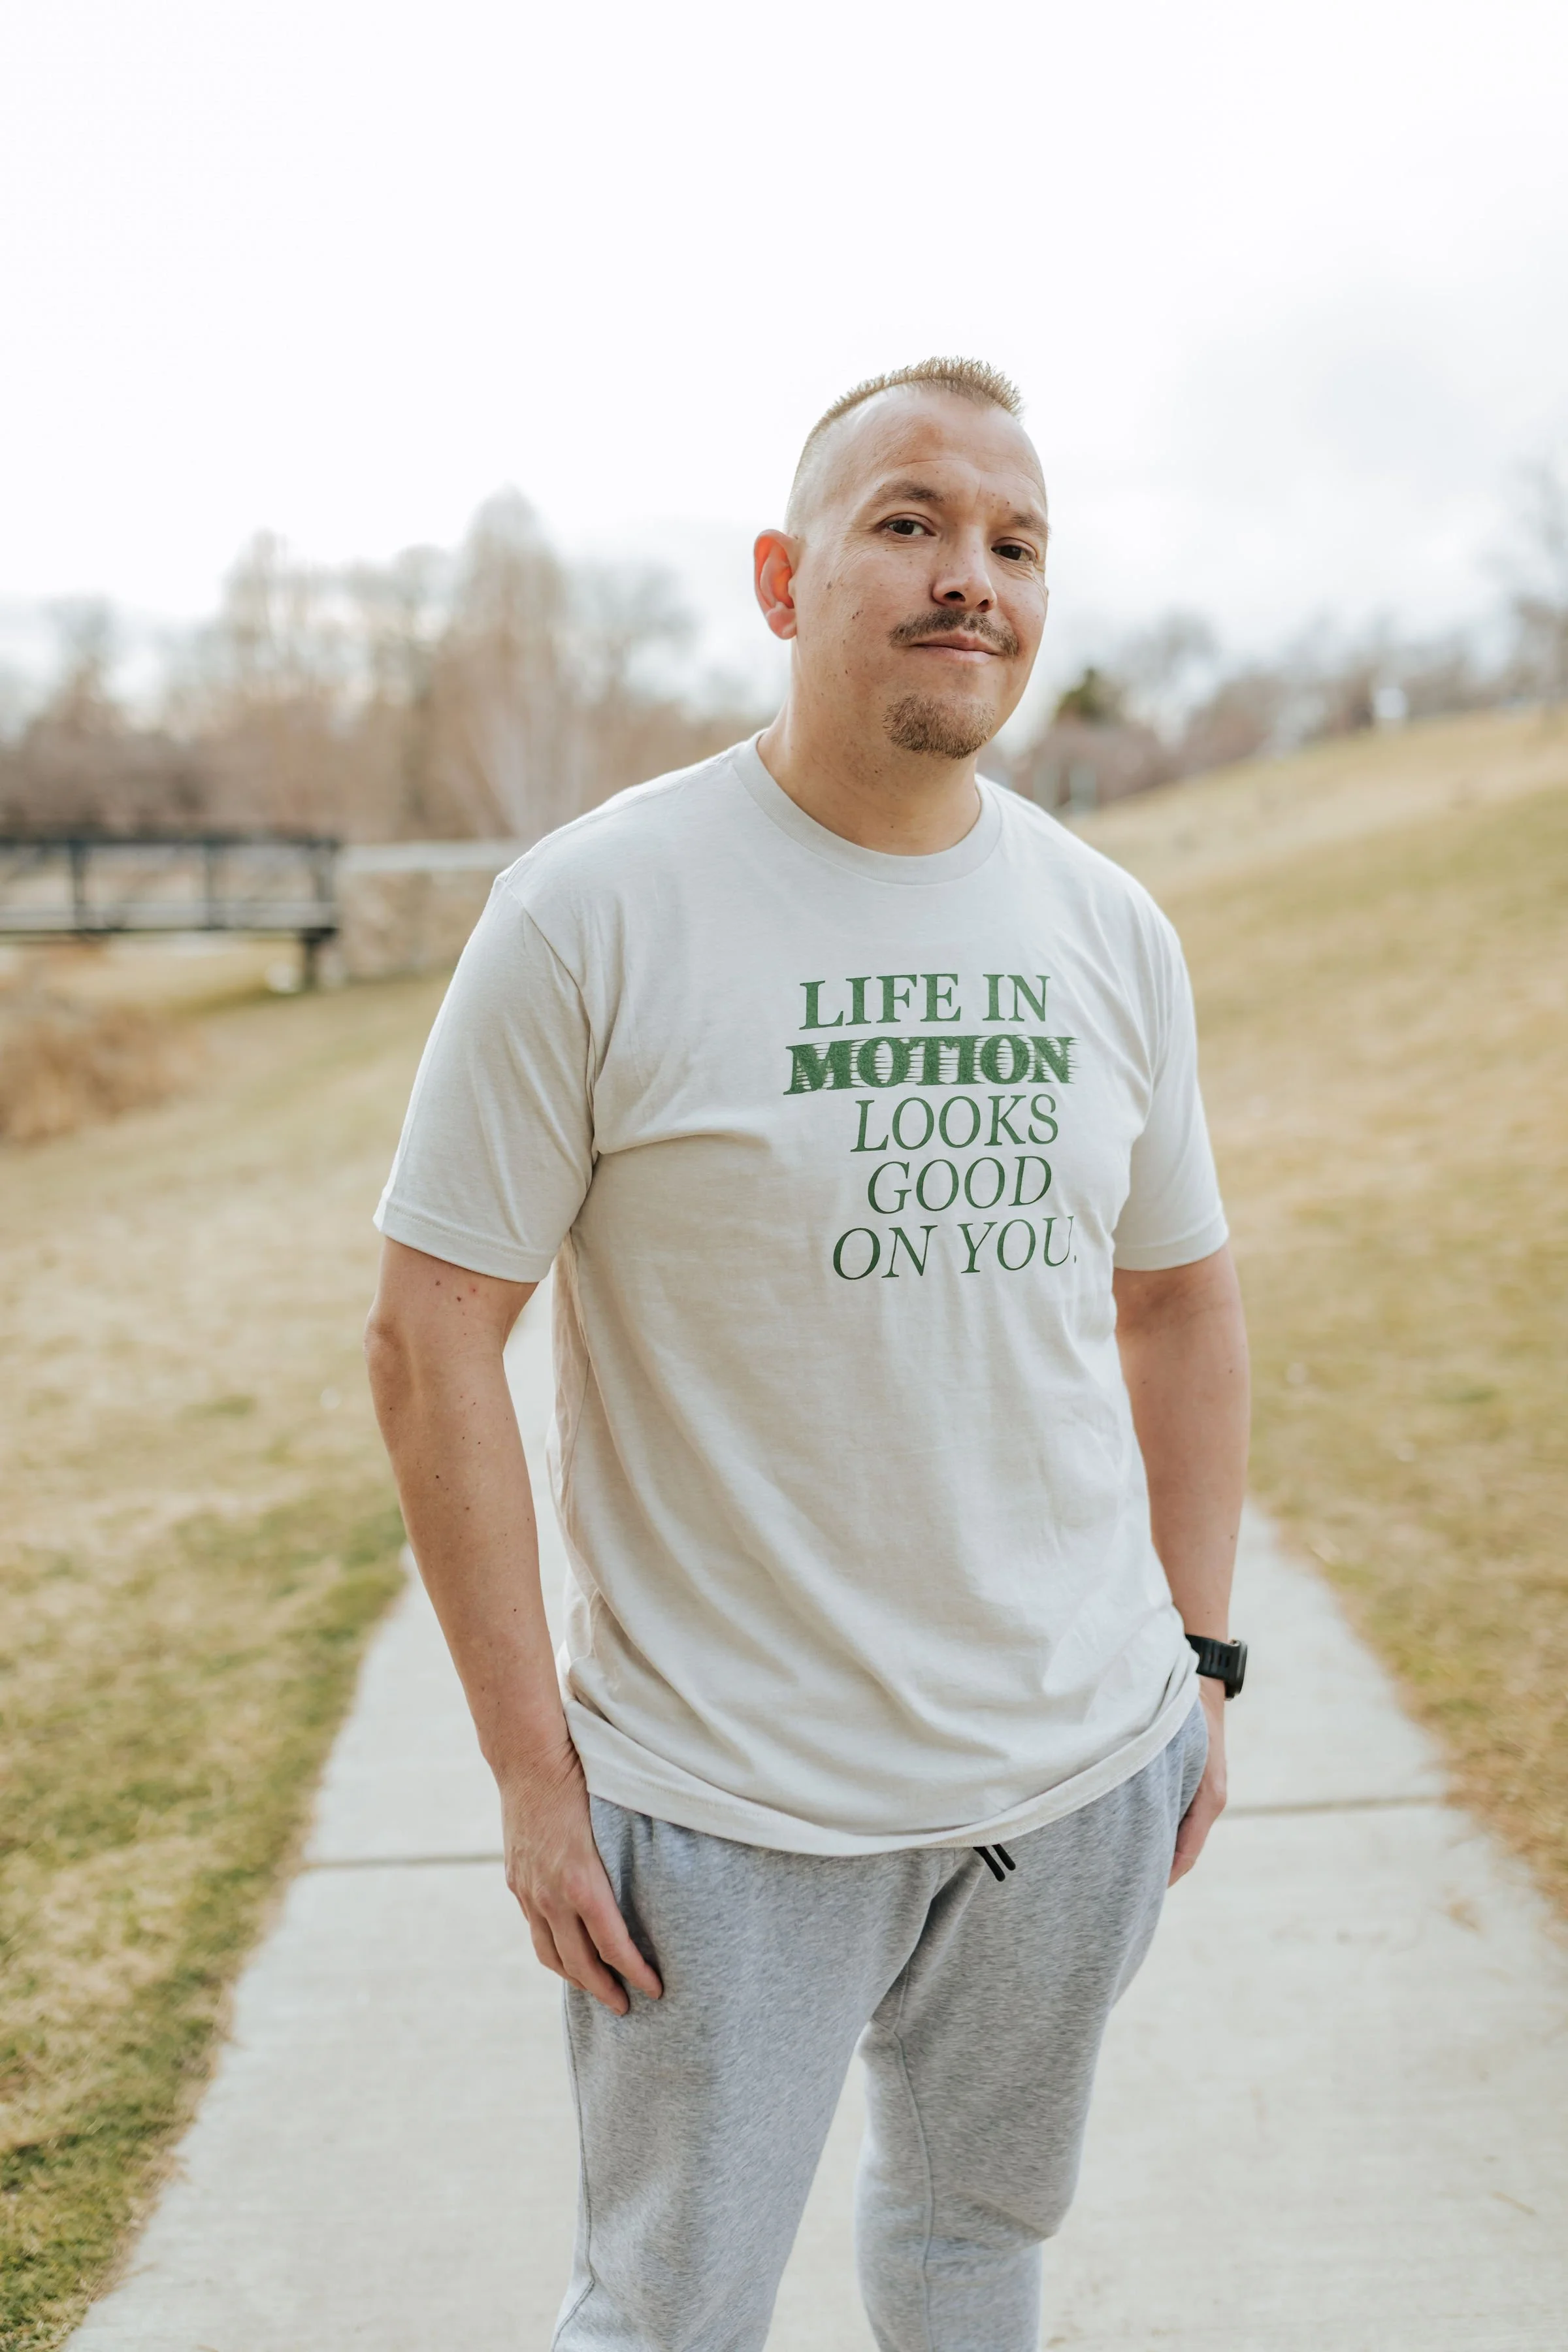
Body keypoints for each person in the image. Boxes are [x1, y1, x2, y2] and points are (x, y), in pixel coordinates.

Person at [364, 355, 1250, 2352]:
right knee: (668, 2311)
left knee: (974, 2254)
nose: (974, 581)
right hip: (730, 1812)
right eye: (911, 523)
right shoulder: (591, 912)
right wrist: (532, 1776)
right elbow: (432, 1334)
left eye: (1017, 544)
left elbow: (1180, 1293)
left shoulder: (1109, 931)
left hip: (1080, 1778)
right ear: (783, 580)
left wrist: (1199, 1661)